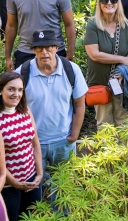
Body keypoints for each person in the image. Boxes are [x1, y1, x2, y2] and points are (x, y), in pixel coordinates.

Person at [14, 30, 86, 198]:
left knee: (64, 190)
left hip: (63, 141)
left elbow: (79, 104)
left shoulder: (71, 70)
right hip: (32, 144)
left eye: (48, 47)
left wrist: (74, 135)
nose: (44, 52)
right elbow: (12, 107)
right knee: (33, 191)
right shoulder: (22, 73)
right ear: (33, 50)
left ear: (56, 47)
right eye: (39, 48)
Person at [0, 72, 43, 221]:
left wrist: (39, 173)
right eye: (11, 89)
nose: (16, 94)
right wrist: (14, 181)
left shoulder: (25, 111)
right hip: (9, 186)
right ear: (0, 90)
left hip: (32, 180)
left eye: (20, 90)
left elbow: (35, 143)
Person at [84, 0, 128, 130]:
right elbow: (94, 54)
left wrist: (125, 67)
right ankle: (107, 152)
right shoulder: (93, 25)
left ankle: (124, 152)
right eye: (105, 0)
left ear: (118, 3)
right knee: (104, 124)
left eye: (113, 0)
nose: (109, 3)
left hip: (121, 83)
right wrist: (122, 59)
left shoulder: (125, 25)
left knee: (125, 123)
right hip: (100, 83)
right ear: (99, 4)